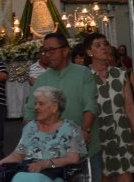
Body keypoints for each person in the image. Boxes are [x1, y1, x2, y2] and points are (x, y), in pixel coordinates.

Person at [24, 32, 102, 182]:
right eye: (44, 51)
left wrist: (85, 131)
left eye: (51, 50)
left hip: (85, 150)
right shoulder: (42, 79)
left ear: (66, 51)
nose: (47, 55)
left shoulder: (83, 74)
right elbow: (29, 113)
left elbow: (90, 106)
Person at [0, 86, 87, 182]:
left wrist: (46, 164)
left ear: (54, 107)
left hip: (56, 175)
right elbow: (17, 155)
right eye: (35, 104)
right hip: (27, 173)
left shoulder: (70, 128)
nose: (36, 107)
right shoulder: (30, 127)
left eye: (41, 104)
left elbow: (73, 159)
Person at [84, 33, 134, 182]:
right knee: (103, 177)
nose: (104, 47)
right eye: (98, 45)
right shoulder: (84, 77)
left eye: (105, 44)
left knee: (126, 176)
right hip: (98, 137)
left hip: (122, 135)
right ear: (90, 52)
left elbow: (130, 107)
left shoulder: (120, 74)